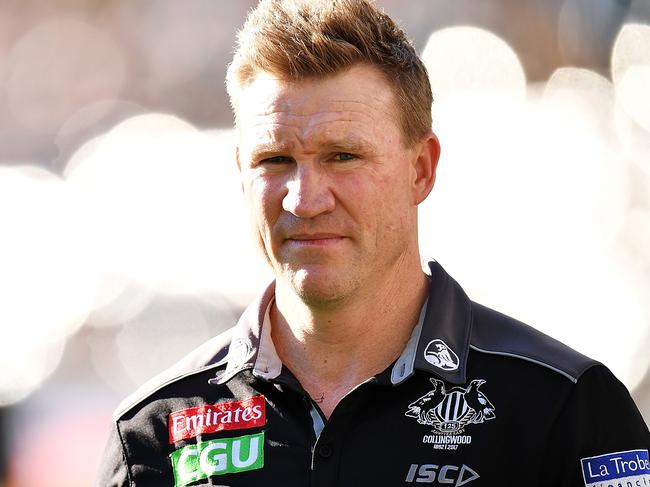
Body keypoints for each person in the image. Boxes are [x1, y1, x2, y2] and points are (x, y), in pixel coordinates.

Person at [96, 0, 650, 486]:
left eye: (343, 156)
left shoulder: (565, 408)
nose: (304, 199)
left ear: (421, 169)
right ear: (240, 171)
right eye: (275, 160)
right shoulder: (153, 434)